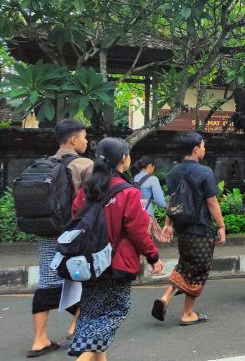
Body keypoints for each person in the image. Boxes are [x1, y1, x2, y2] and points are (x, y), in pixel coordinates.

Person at [68, 138, 163, 360]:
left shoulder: (87, 189)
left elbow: (74, 217)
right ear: (123, 158)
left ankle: (90, 352)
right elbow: (138, 231)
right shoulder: (128, 192)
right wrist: (153, 256)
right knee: (114, 311)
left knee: (92, 312)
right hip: (117, 263)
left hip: (87, 262)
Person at [28, 119, 94, 358]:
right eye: (84, 137)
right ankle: (77, 326)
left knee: (49, 280)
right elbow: (95, 201)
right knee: (83, 277)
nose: (86, 141)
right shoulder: (85, 164)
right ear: (74, 140)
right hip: (74, 233)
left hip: (47, 231)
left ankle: (40, 339)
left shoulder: (44, 164)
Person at [151, 132, 225, 325]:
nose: (204, 149)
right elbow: (212, 202)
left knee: (185, 264)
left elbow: (172, 202)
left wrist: (168, 225)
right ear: (195, 149)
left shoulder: (173, 173)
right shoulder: (205, 172)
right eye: (203, 146)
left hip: (182, 231)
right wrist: (221, 226)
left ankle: (166, 296)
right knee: (198, 270)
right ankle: (187, 313)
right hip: (201, 230)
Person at [132, 156, 167, 242]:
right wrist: (167, 206)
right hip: (146, 214)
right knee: (147, 242)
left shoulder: (134, 178)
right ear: (150, 166)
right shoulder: (153, 179)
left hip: (134, 214)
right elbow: (160, 201)